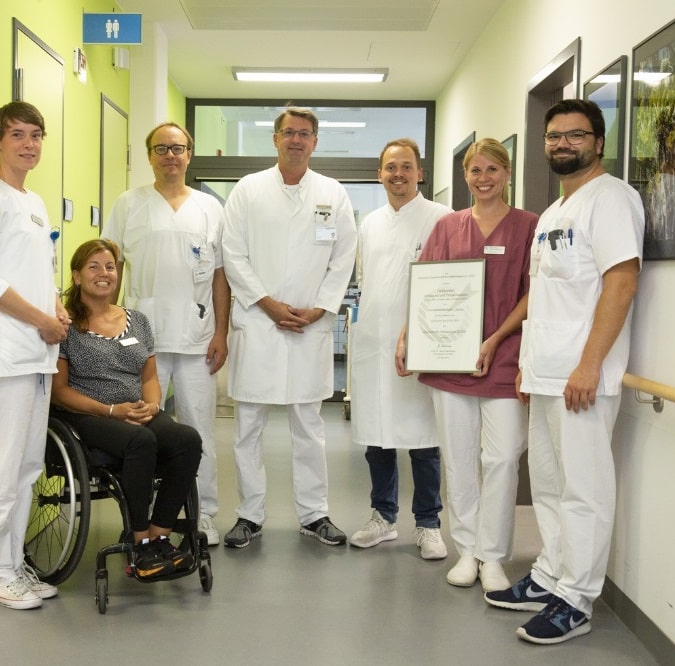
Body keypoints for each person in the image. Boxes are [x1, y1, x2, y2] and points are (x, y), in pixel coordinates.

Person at [484, 99, 644, 645]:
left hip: (583, 377)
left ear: (598, 142)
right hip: (545, 373)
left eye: (575, 135)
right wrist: (527, 368)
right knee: (549, 486)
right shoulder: (552, 215)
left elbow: (621, 283)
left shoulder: (613, 200)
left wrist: (590, 364)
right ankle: (550, 577)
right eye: (553, 136)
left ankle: (576, 598)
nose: (562, 144)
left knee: (585, 490)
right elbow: (544, 297)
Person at [397, 138, 538, 592]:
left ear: (508, 173)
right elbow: (426, 290)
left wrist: (496, 339)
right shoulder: (447, 227)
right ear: (465, 177)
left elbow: (533, 292)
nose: (484, 178)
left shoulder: (529, 226)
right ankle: (469, 551)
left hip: (505, 359)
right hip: (449, 361)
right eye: (475, 171)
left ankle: (494, 556)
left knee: (501, 458)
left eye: (492, 169)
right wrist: (407, 337)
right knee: (458, 459)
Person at [221, 106, 357, 548]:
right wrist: (268, 304)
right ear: (274, 139)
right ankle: (249, 514)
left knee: (310, 427)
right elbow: (233, 254)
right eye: (288, 133)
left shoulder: (333, 193)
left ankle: (315, 513)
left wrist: (319, 308)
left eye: (304, 133)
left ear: (315, 142)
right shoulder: (248, 190)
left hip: (309, 327)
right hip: (259, 324)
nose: (296, 140)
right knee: (248, 428)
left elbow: (344, 258)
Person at [0, 101, 68, 610]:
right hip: (3, 354)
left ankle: (14, 562)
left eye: (37, 135)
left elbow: (34, 274)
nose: (29, 144)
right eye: (18, 135)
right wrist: (42, 320)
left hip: (37, 355)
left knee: (27, 467)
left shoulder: (35, 201)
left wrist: (57, 310)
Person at [102, 122, 230, 546]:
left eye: (178, 148)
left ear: (189, 155)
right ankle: (144, 514)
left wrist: (222, 334)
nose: (171, 155)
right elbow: (111, 270)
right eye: (162, 148)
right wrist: (103, 327)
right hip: (142, 340)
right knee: (144, 430)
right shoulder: (128, 204)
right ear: (149, 155)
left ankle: (204, 513)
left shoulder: (211, 208)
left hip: (197, 338)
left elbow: (219, 278)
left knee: (200, 430)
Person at [51, 239, 203, 578]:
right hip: (89, 415)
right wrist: (111, 411)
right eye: (93, 267)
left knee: (187, 440)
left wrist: (151, 405)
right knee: (141, 442)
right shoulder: (66, 325)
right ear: (76, 277)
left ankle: (159, 533)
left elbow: (149, 374)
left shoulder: (138, 320)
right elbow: (59, 392)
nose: (104, 274)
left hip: (135, 410)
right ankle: (138, 540)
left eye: (109, 267)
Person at [347, 138, 450, 560]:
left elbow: (446, 285)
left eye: (406, 167)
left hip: (421, 342)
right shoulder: (369, 224)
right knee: (378, 436)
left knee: (424, 438)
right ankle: (383, 518)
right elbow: (365, 281)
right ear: (380, 174)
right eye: (390, 167)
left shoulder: (442, 220)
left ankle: (428, 524)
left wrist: (419, 335)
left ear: (419, 173)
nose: (398, 175)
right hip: (373, 343)